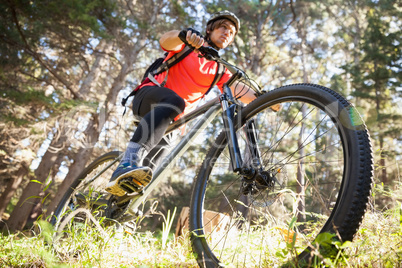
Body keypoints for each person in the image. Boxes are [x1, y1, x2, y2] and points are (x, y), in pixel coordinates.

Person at [106, 10, 257, 197]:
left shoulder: (220, 69)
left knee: (145, 174)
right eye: (223, 27)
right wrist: (182, 35)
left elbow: (241, 91)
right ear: (210, 30)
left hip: (174, 125)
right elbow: (165, 40)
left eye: (232, 32)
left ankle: (113, 206)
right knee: (175, 102)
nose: (227, 32)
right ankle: (127, 161)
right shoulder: (188, 46)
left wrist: (272, 99)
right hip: (148, 98)